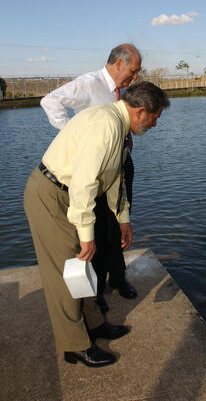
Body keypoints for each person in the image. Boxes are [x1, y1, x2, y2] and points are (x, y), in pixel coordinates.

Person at [24, 81, 170, 368]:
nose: (154, 126)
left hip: (67, 195)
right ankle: (75, 345)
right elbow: (84, 182)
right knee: (66, 272)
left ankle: (93, 324)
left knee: (83, 268)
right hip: (51, 195)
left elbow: (114, 181)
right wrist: (86, 234)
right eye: (154, 119)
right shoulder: (105, 125)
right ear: (140, 111)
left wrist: (123, 220)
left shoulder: (119, 127)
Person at [40, 44, 141, 313]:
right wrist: (71, 135)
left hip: (119, 161)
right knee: (96, 227)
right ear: (118, 63)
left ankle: (118, 278)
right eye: (133, 71)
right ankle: (96, 291)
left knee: (119, 221)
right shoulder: (88, 84)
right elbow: (49, 100)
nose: (135, 77)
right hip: (93, 167)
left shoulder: (123, 91)